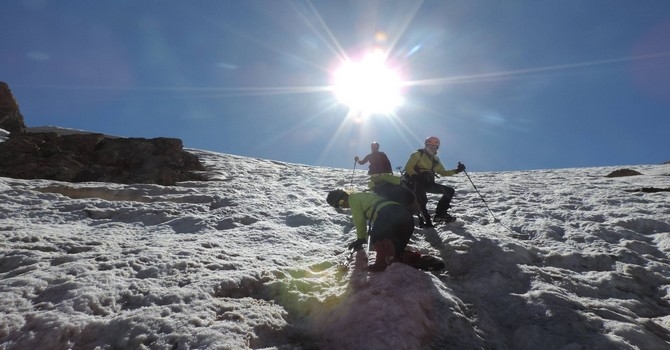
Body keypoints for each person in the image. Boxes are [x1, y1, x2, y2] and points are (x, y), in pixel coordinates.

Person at [326, 189, 414, 272]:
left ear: (345, 195)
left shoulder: (352, 199)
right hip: (406, 216)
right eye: (339, 206)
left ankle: (382, 264)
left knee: (377, 237)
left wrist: (361, 238)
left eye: (341, 202)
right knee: (396, 250)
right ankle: (414, 260)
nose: (343, 205)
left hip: (388, 213)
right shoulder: (363, 196)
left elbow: (359, 220)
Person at [404, 136, 466, 227]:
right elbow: (408, 167)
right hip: (416, 182)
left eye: (435, 147)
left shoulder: (436, 160)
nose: (432, 148)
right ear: (426, 145)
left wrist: (456, 171)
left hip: (429, 183)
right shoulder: (417, 154)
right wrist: (415, 176)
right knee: (423, 201)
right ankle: (427, 222)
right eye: (430, 146)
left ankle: (440, 214)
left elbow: (442, 172)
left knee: (449, 191)